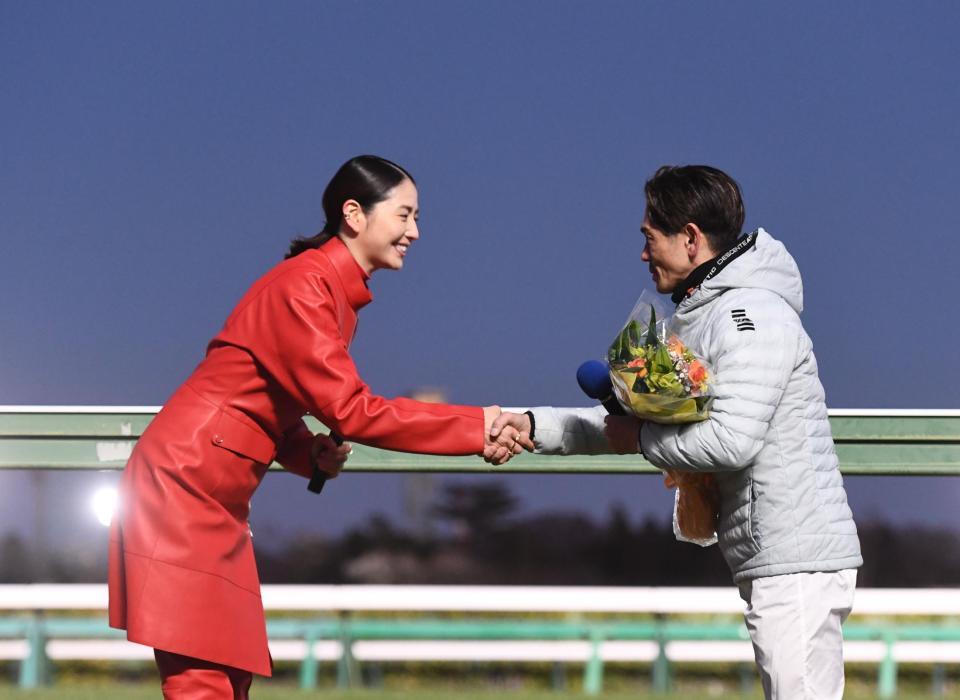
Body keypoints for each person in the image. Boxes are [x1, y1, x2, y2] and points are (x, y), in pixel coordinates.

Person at [108, 155, 528, 699]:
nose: (415, 232)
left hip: (210, 492)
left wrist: (308, 454)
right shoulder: (305, 287)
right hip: (183, 486)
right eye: (404, 215)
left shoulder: (328, 291)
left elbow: (261, 399)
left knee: (228, 677)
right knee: (203, 681)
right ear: (354, 214)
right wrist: (478, 425)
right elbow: (353, 410)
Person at [494, 165, 862, 700]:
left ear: (690, 238)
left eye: (650, 238)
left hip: (798, 561)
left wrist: (640, 441)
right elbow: (633, 426)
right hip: (776, 557)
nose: (643, 254)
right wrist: (534, 426)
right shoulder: (703, 314)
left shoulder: (749, 314)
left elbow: (731, 441)